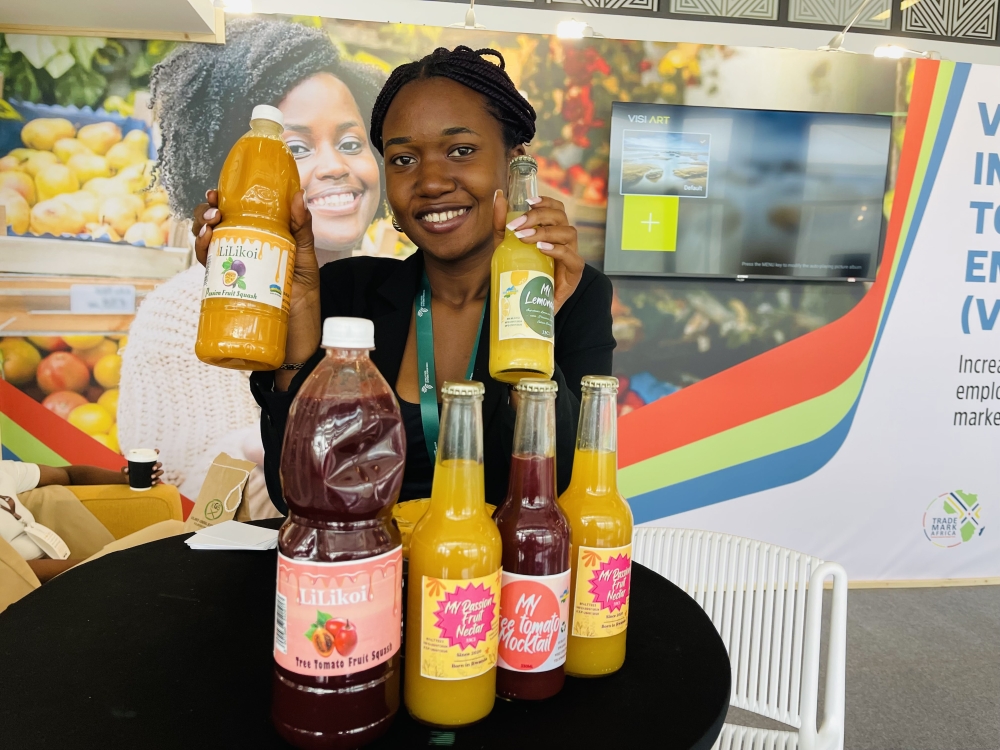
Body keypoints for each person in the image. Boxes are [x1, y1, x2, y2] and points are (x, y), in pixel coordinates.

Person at [195, 46, 616, 509]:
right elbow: (293, 490)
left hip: (489, 577)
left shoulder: (575, 294)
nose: (431, 181)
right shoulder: (347, 292)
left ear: (514, 162)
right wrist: (296, 304)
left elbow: (562, 489)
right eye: (403, 159)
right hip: (356, 570)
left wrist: (532, 327)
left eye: (461, 151)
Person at [117, 18, 388, 515]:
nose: (335, 165)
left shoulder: (396, 291)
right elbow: (167, 497)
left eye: (351, 143)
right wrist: (265, 447)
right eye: (296, 149)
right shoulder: (178, 316)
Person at [0, 458, 163, 587]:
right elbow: (10, 572)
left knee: (170, 532)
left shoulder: (4, 470)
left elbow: (68, 475)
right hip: (23, 587)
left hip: (68, 567)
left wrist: (123, 477)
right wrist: (100, 565)